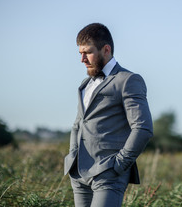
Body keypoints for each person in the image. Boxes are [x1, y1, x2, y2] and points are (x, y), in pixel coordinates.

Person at [64, 23, 153, 207]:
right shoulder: (85, 83)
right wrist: (73, 154)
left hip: (108, 174)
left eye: (87, 52)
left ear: (106, 49)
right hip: (79, 175)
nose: (82, 59)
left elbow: (142, 128)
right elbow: (78, 124)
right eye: (80, 53)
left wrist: (119, 166)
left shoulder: (128, 80)